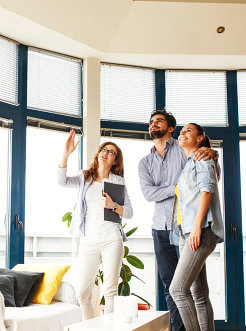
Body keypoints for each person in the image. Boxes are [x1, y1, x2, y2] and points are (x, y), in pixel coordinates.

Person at [138, 110, 218, 331]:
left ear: (170, 128)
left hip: (189, 226)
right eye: (151, 122)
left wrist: (212, 153)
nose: (153, 124)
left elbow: (206, 179)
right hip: (161, 229)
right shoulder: (145, 162)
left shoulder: (184, 149)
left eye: (159, 121)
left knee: (185, 288)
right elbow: (148, 194)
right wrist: (175, 188)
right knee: (173, 287)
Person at [58, 130, 133, 320]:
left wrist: (114, 206)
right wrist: (66, 154)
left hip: (111, 239)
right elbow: (62, 181)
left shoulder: (117, 182)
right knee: (83, 293)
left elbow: (130, 212)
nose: (105, 152)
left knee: (110, 292)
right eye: (103, 149)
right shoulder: (85, 178)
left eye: (111, 152)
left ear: (115, 160)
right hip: (88, 240)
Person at [169, 123, 224, 331]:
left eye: (188, 131)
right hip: (186, 233)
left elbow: (207, 189)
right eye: (181, 131)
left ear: (200, 138)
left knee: (178, 290)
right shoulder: (188, 163)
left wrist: (197, 226)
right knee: (198, 294)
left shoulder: (203, 157)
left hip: (199, 231)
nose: (182, 133)